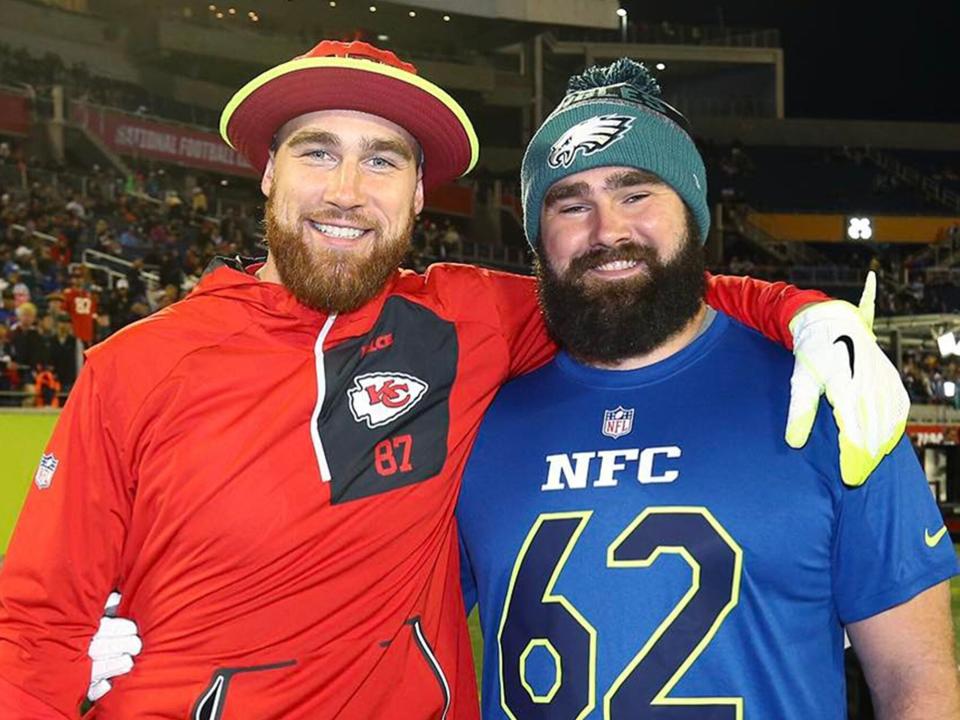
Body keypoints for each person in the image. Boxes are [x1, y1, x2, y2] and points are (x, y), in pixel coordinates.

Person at [0, 42, 907, 719]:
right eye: (318, 151)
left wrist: (802, 312)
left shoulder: (466, 320)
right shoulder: (136, 369)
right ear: (268, 173)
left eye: (383, 159)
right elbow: (34, 626)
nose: (348, 189)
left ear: (419, 194)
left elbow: (629, 271)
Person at [455, 59, 959, 720]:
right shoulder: (479, 420)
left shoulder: (829, 394)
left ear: (692, 213)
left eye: (636, 194)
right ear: (537, 240)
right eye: (571, 204)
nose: (607, 230)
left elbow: (914, 676)